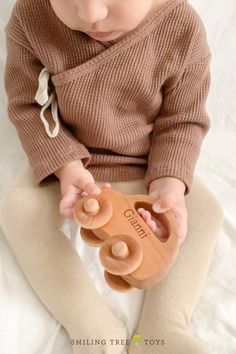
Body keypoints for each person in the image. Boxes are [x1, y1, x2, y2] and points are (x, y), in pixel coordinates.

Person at [0, 0, 223, 353]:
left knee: (207, 212)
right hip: (71, 158)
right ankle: (91, 329)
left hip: (146, 161)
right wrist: (66, 165)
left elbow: (183, 118)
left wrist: (169, 183)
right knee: (18, 210)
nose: (90, 15)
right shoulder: (32, 17)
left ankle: (161, 329)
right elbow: (29, 105)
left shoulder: (182, 28)